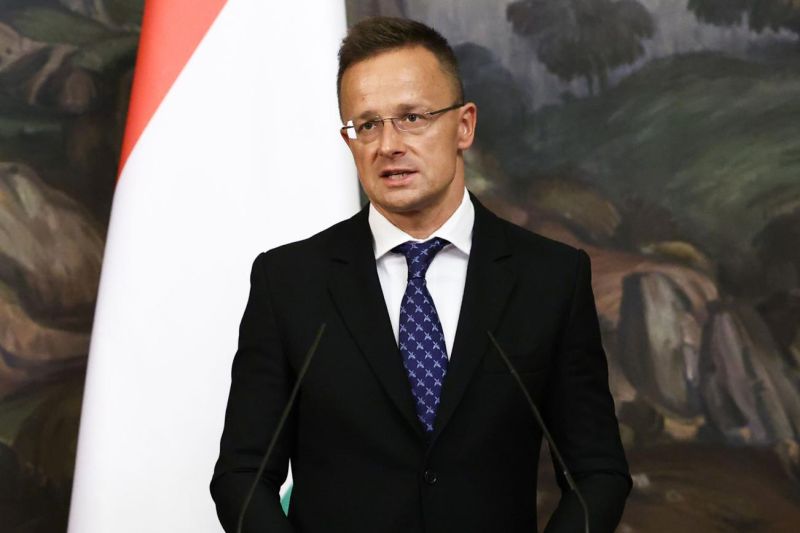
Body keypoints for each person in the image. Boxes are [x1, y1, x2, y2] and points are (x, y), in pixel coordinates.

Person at [211, 16, 631, 533]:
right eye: (367, 124)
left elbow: (596, 473)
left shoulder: (550, 278)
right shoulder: (289, 282)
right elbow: (242, 477)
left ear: (464, 126)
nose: (388, 144)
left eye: (412, 117)